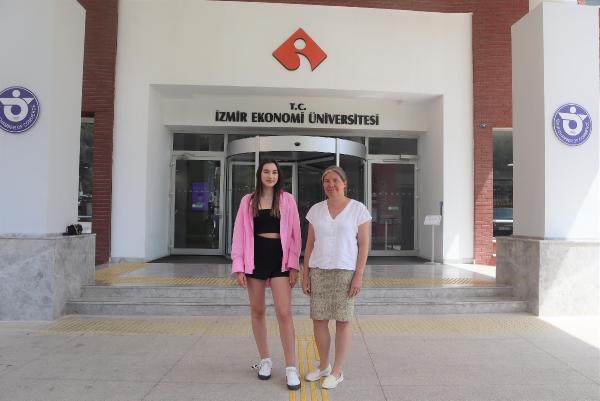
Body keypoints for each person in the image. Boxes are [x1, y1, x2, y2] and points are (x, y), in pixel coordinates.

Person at [231, 159, 302, 391]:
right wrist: (239, 266)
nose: (270, 176)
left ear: (279, 175)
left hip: (280, 260)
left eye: (274, 172)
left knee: (284, 313)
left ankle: (291, 367)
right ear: (259, 174)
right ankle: (265, 360)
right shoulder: (248, 201)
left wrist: (294, 265)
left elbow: (296, 234)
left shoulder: (287, 199)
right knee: (258, 311)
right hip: (255, 260)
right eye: (266, 172)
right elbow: (239, 233)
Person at [302, 166, 371, 390]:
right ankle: (323, 365)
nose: (330, 185)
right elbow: (309, 244)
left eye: (335, 180)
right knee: (319, 320)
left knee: (343, 321)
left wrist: (358, 275)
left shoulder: (358, 209)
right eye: (326, 181)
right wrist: (306, 274)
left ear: (344, 183)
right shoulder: (316, 210)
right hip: (319, 270)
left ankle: (337, 371)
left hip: (345, 272)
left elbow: (364, 245)